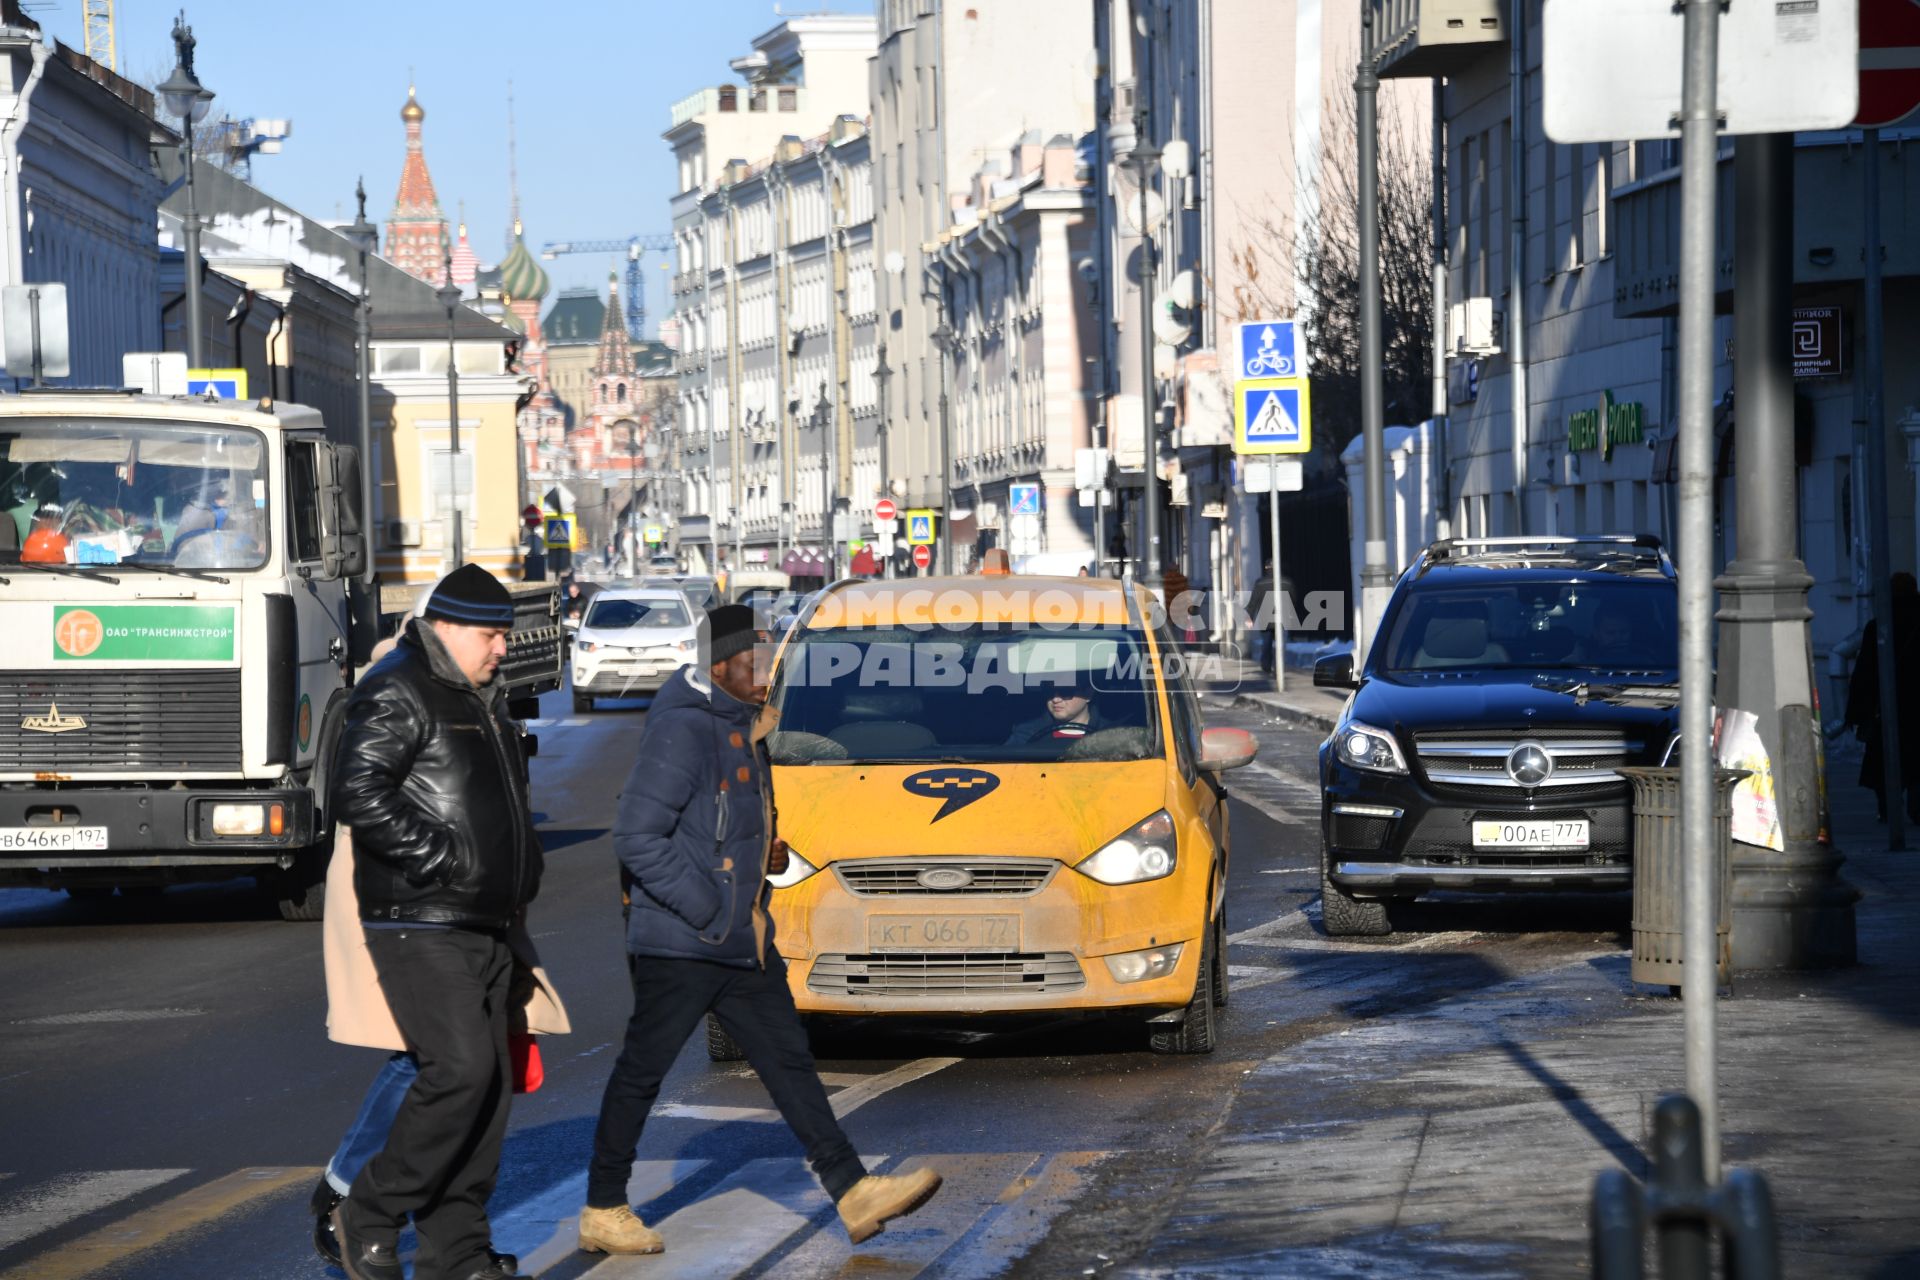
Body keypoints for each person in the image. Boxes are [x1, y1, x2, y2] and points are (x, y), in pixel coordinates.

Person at [579, 605, 942, 1256]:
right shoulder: (684, 729)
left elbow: (719, 822)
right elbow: (637, 835)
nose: (768, 673)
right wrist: (709, 904)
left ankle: (853, 1192)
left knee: (789, 1064)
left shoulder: (742, 725)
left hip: (738, 935)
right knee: (642, 1071)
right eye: (756, 662)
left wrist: (762, 857)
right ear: (719, 666)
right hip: (683, 939)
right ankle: (603, 1207)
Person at [308, 624, 568, 1272]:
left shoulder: (486, 697)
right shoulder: (397, 686)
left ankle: (458, 1255)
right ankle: (363, 1207)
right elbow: (357, 791)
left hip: (487, 921)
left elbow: (508, 802)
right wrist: (444, 859)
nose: (504, 647)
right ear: (448, 628)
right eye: (492, 634)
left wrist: (522, 870)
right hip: (419, 917)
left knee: (489, 1085)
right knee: (457, 1070)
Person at [1845, 572, 1920, 823]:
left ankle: (1889, 808)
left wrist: (1856, 712)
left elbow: (1865, 671)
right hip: (1916, 707)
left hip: (1887, 708)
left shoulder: (1878, 626)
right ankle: (1916, 804)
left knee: (1884, 760)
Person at [1004, 674, 1106, 748]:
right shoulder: (1026, 733)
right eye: (1050, 692)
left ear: (1089, 694)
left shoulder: (1111, 733)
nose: (1055, 699)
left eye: (1065, 692)